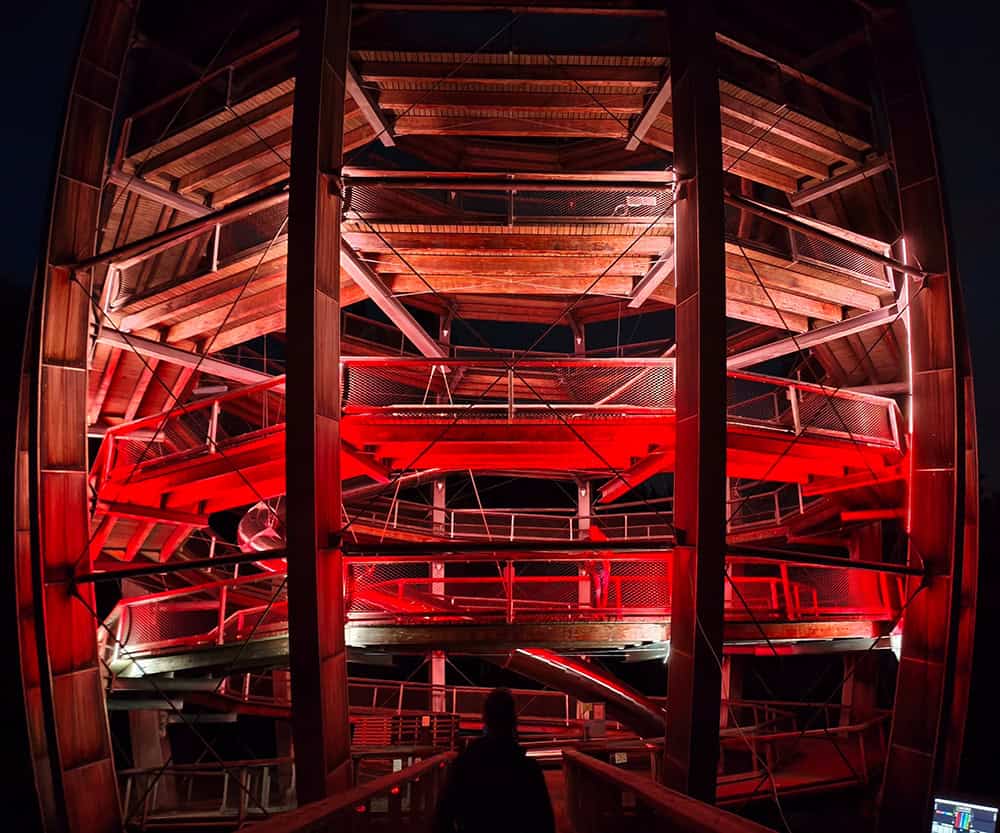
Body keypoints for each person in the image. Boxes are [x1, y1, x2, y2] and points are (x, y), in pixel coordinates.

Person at [433, 688, 555, 833]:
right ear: (513, 721)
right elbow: (545, 823)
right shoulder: (529, 769)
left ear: (485, 719)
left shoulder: (464, 765)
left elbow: (442, 817)